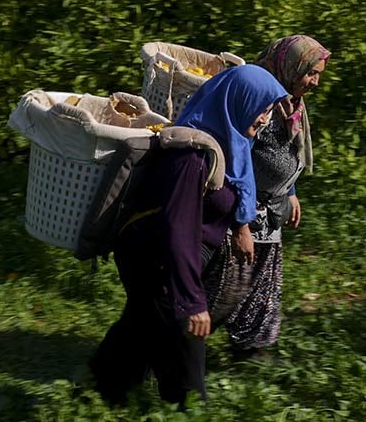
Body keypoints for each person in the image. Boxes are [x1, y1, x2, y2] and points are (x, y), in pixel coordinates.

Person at [88, 64, 288, 406]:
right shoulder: (191, 156)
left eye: (269, 110)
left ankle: (98, 391)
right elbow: (177, 231)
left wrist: (240, 226)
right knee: (184, 346)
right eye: (262, 109)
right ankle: (188, 407)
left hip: (169, 258)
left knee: (139, 330)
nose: (265, 119)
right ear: (238, 102)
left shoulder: (231, 144)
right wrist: (192, 302)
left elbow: (232, 195)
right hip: (155, 259)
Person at [205, 35, 330, 357]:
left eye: (318, 74)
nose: (315, 82)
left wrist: (289, 189)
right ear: (292, 67)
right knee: (226, 284)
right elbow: (239, 158)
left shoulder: (290, 102)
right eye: (310, 73)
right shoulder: (259, 100)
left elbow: (288, 151)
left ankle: (249, 348)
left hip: (269, 207)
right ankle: (176, 344)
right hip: (242, 206)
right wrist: (241, 224)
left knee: (262, 281)